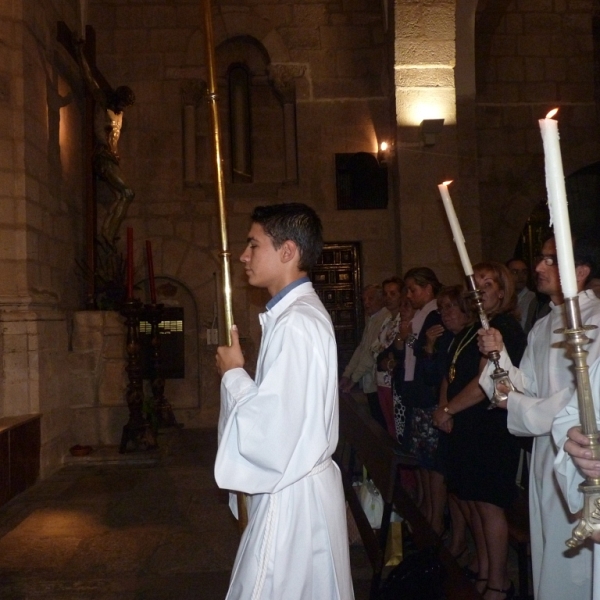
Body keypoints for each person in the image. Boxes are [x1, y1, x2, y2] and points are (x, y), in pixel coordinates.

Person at [215, 203, 354, 600]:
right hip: (299, 489)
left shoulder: (297, 323)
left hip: (292, 499)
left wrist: (234, 375)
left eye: (253, 244)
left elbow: (274, 432)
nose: (243, 255)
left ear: (288, 251)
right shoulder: (292, 315)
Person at [479, 235, 600, 600]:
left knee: (576, 568)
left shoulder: (595, 321)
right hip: (544, 457)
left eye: (551, 259)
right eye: (540, 259)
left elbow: (580, 405)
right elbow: (524, 388)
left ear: (580, 271)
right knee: (550, 551)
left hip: (580, 462)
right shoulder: (544, 325)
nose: (538, 267)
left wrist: (517, 408)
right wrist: (499, 356)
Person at [435, 263, 526, 600]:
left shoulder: (504, 328)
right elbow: (455, 371)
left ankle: (500, 583)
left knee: (489, 505)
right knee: (473, 502)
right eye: (476, 284)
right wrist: (448, 407)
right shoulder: (476, 328)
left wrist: (448, 409)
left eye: (489, 284)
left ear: (503, 291)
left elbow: (487, 383)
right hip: (470, 428)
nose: (481, 290)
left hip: (490, 429)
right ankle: (486, 569)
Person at [75, 39, 136, 243]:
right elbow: (90, 79)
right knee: (127, 192)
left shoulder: (120, 116)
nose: (124, 107)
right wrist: (80, 53)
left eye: (126, 105)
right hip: (102, 156)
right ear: (117, 98)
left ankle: (109, 232)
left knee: (124, 195)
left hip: (111, 157)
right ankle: (106, 235)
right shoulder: (103, 103)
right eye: (123, 103)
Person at [402, 267, 444, 533]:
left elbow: (427, 353)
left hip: (429, 396)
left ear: (428, 288)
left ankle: (435, 518)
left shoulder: (434, 314)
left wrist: (416, 343)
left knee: (432, 463)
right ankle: (427, 510)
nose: (409, 295)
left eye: (412, 289)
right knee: (423, 460)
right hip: (418, 394)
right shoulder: (420, 314)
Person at [340, 284, 389, 430]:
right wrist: (347, 374)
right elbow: (361, 349)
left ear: (381, 300)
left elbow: (371, 354)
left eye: (371, 299)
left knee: (382, 424)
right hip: (370, 381)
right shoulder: (372, 319)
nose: (366, 303)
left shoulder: (384, 319)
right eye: (364, 300)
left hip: (378, 381)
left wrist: (353, 379)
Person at [371, 277, 406, 438]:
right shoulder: (387, 320)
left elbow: (392, 348)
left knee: (398, 427)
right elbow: (375, 348)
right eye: (386, 294)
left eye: (393, 293)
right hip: (381, 379)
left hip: (393, 380)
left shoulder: (403, 320)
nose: (388, 298)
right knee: (388, 427)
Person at [506, 257, 538, 334]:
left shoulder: (533, 299)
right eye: (515, 272)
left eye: (524, 272)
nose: (520, 276)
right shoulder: (502, 299)